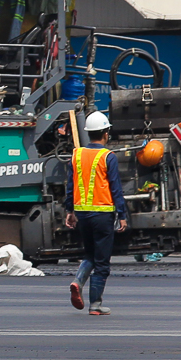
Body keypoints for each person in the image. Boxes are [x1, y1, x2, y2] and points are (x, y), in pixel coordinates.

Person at [58, 110, 127, 316]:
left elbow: (70, 186)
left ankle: (78, 281)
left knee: (89, 254)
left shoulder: (76, 155)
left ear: (89, 133)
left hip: (83, 215)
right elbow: (115, 188)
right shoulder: (108, 156)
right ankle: (95, 304)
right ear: (105, 133)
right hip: (103, 215)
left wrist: (70, 210)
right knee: (102, 262)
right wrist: (122, 215)